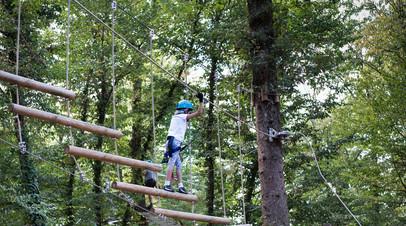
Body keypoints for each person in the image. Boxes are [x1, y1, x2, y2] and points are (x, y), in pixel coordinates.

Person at [163, 93, 204, 194]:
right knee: (172, 162)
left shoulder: (176, 117)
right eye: (189, 112)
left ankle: (180, 186)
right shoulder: (182, 116)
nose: (189, 114)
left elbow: (184, 128)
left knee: (178, 164)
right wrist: (201, 101)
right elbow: (199, 112)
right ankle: (166, 184)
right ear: (186, 111)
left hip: (171, 141)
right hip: (175, 141)